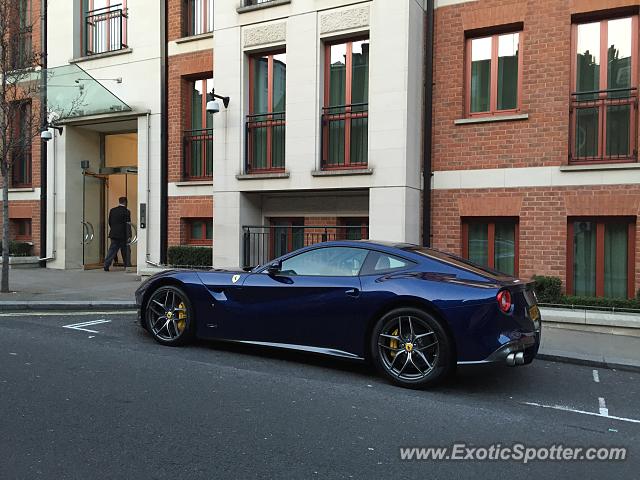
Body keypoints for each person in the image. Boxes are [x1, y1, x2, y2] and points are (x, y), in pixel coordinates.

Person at [104, 197, 131, 271]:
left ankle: (106, 265)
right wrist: (129, 235)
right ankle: (127, 265)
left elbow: (110, 222)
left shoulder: (112, 210)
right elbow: (128, 224)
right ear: (125, 202)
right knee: (126, 251)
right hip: (123, 234)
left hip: (114, 234)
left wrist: (114, 230)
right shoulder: (127, 211)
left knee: (112, 250)